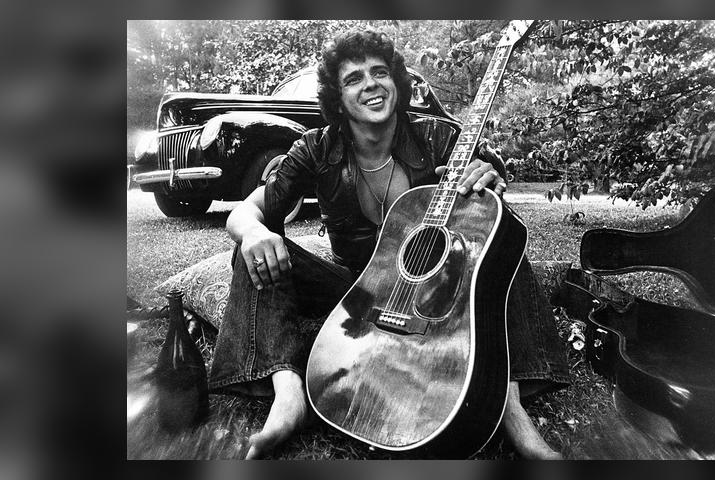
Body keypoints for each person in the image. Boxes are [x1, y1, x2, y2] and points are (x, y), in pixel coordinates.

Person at [208, 30, 571, 460]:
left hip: (431, 293)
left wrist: (487, 184)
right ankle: (289, 394)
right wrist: (254, 231)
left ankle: (508, 406)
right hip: (353, 293)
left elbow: (485, 195)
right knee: (252, 250)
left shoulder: (438, 137)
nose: (371, 85)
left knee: (504, 245)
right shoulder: (317, 148)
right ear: (338, 97)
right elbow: (244, 212)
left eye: (380, 73)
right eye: (354, 79)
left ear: (397, 83)